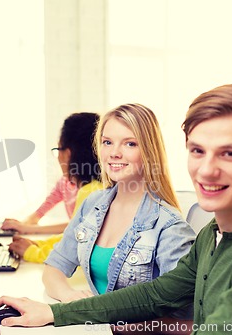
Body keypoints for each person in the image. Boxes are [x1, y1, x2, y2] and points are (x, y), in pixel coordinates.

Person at [0, 84, 232, 335]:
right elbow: (153, 295)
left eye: (229, 153)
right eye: (197, 151)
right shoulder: (214, 233)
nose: (206, 171)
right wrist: (56, 312)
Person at [42, 104, 195, 329]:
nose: (114, 152)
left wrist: (90, 315)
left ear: (149, 151)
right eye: (107, 142)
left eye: (130, 143)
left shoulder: (169, 225)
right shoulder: (92, 205)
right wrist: (69, 298)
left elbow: (180, 318)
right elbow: (53, 267)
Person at [6, 112, 103, 262]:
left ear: (68, 154)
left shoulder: (91, 193)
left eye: (58, 150)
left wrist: (33, 252)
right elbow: (72, 237)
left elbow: (73, 252)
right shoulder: (97, 187)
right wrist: (39, 244)